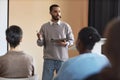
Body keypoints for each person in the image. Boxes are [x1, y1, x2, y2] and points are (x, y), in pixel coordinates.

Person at [36, 4, 74, 80]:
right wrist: (40, 39)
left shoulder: (66, 26)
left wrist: (66, 43)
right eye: (55, 12)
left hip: (62, 60)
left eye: (59, 11)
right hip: (48, 60)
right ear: (50, 13)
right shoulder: (44, 27)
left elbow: (72, 40)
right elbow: (40, 44)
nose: (58, 14)